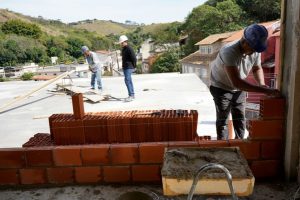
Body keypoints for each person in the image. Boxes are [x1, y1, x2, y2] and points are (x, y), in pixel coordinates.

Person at [209, 24, 281, 140]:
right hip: (221, 87)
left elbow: (257, 68)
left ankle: (240, 145)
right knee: (223, 120)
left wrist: (262, 84)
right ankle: (224, 147)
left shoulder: (255, 49)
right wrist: (265, 90)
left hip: (239, 86)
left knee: (240, 118)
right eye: (252, 49)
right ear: (244, 41)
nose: (254, 52)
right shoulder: (229, 51)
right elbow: (236, 82)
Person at [118, 35, 136, 102]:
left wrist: (134, 66)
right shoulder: (123, 49)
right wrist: (122, 67)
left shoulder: (129, 48)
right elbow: (124, 59)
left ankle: (131, 95)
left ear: (125, 42)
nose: (121, 44)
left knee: (127, 80)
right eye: (121, 43)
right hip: (125, 67)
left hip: (129, 67)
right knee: (129, 81)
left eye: (122, 43)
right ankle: (132, 94)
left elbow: (134, 58)